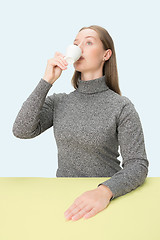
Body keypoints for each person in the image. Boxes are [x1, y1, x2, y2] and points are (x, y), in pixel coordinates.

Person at [12, 25, 149, 221]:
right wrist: (47, 81)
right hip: (64, 200)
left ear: (106, 54)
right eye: (76, 43)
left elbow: (138, 164)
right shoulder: (60, 102)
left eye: (88, 42)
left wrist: (105, 191)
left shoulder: (122, 106)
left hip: (108, 201)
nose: (79, 47)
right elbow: (21, 130)